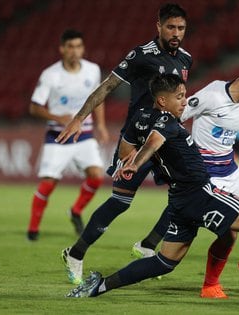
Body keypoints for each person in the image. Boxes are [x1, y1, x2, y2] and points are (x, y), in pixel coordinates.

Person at [65, 73, 239, 298]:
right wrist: (138, 163)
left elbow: (127, 145)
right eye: (179, 97)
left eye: (184, 96)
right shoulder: (166, 123)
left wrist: (129, 161)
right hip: (201, 193)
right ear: (162, 100)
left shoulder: (140, 118)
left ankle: (101, 286)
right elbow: (155, 141)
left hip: (179, 200)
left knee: (164, 261)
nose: (185, 102)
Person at [55, 3, 191, 285]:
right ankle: (76, 254)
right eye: (170, 27)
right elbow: (107, 86)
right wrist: (80, 117)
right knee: (120, 202)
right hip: (138, 138)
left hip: (168, 137)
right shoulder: (142, 55)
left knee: (189, 191)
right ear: (159, 26)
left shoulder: (186, 59)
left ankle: (147, 245)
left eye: (180, 28)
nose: (176, 33)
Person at [133, 58, 239, 298]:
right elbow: (177, 113)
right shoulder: (212, 95)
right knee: (230, 233)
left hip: (231, 170)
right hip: (206, 177)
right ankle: (210, 285)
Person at [26, 29, 109, 241]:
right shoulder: (50, 75)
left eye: (78, 46)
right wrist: (58, 117)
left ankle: (76, 211)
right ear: (62, 49)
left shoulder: (92, 70)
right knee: (48, 183)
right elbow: (34, 108)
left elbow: (98, 99)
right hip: (58, 135)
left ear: (83, 48)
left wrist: (101, 125)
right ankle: (33, 229)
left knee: (97, 175)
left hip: (84, 134)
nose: (75, 51)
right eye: (70, 47)